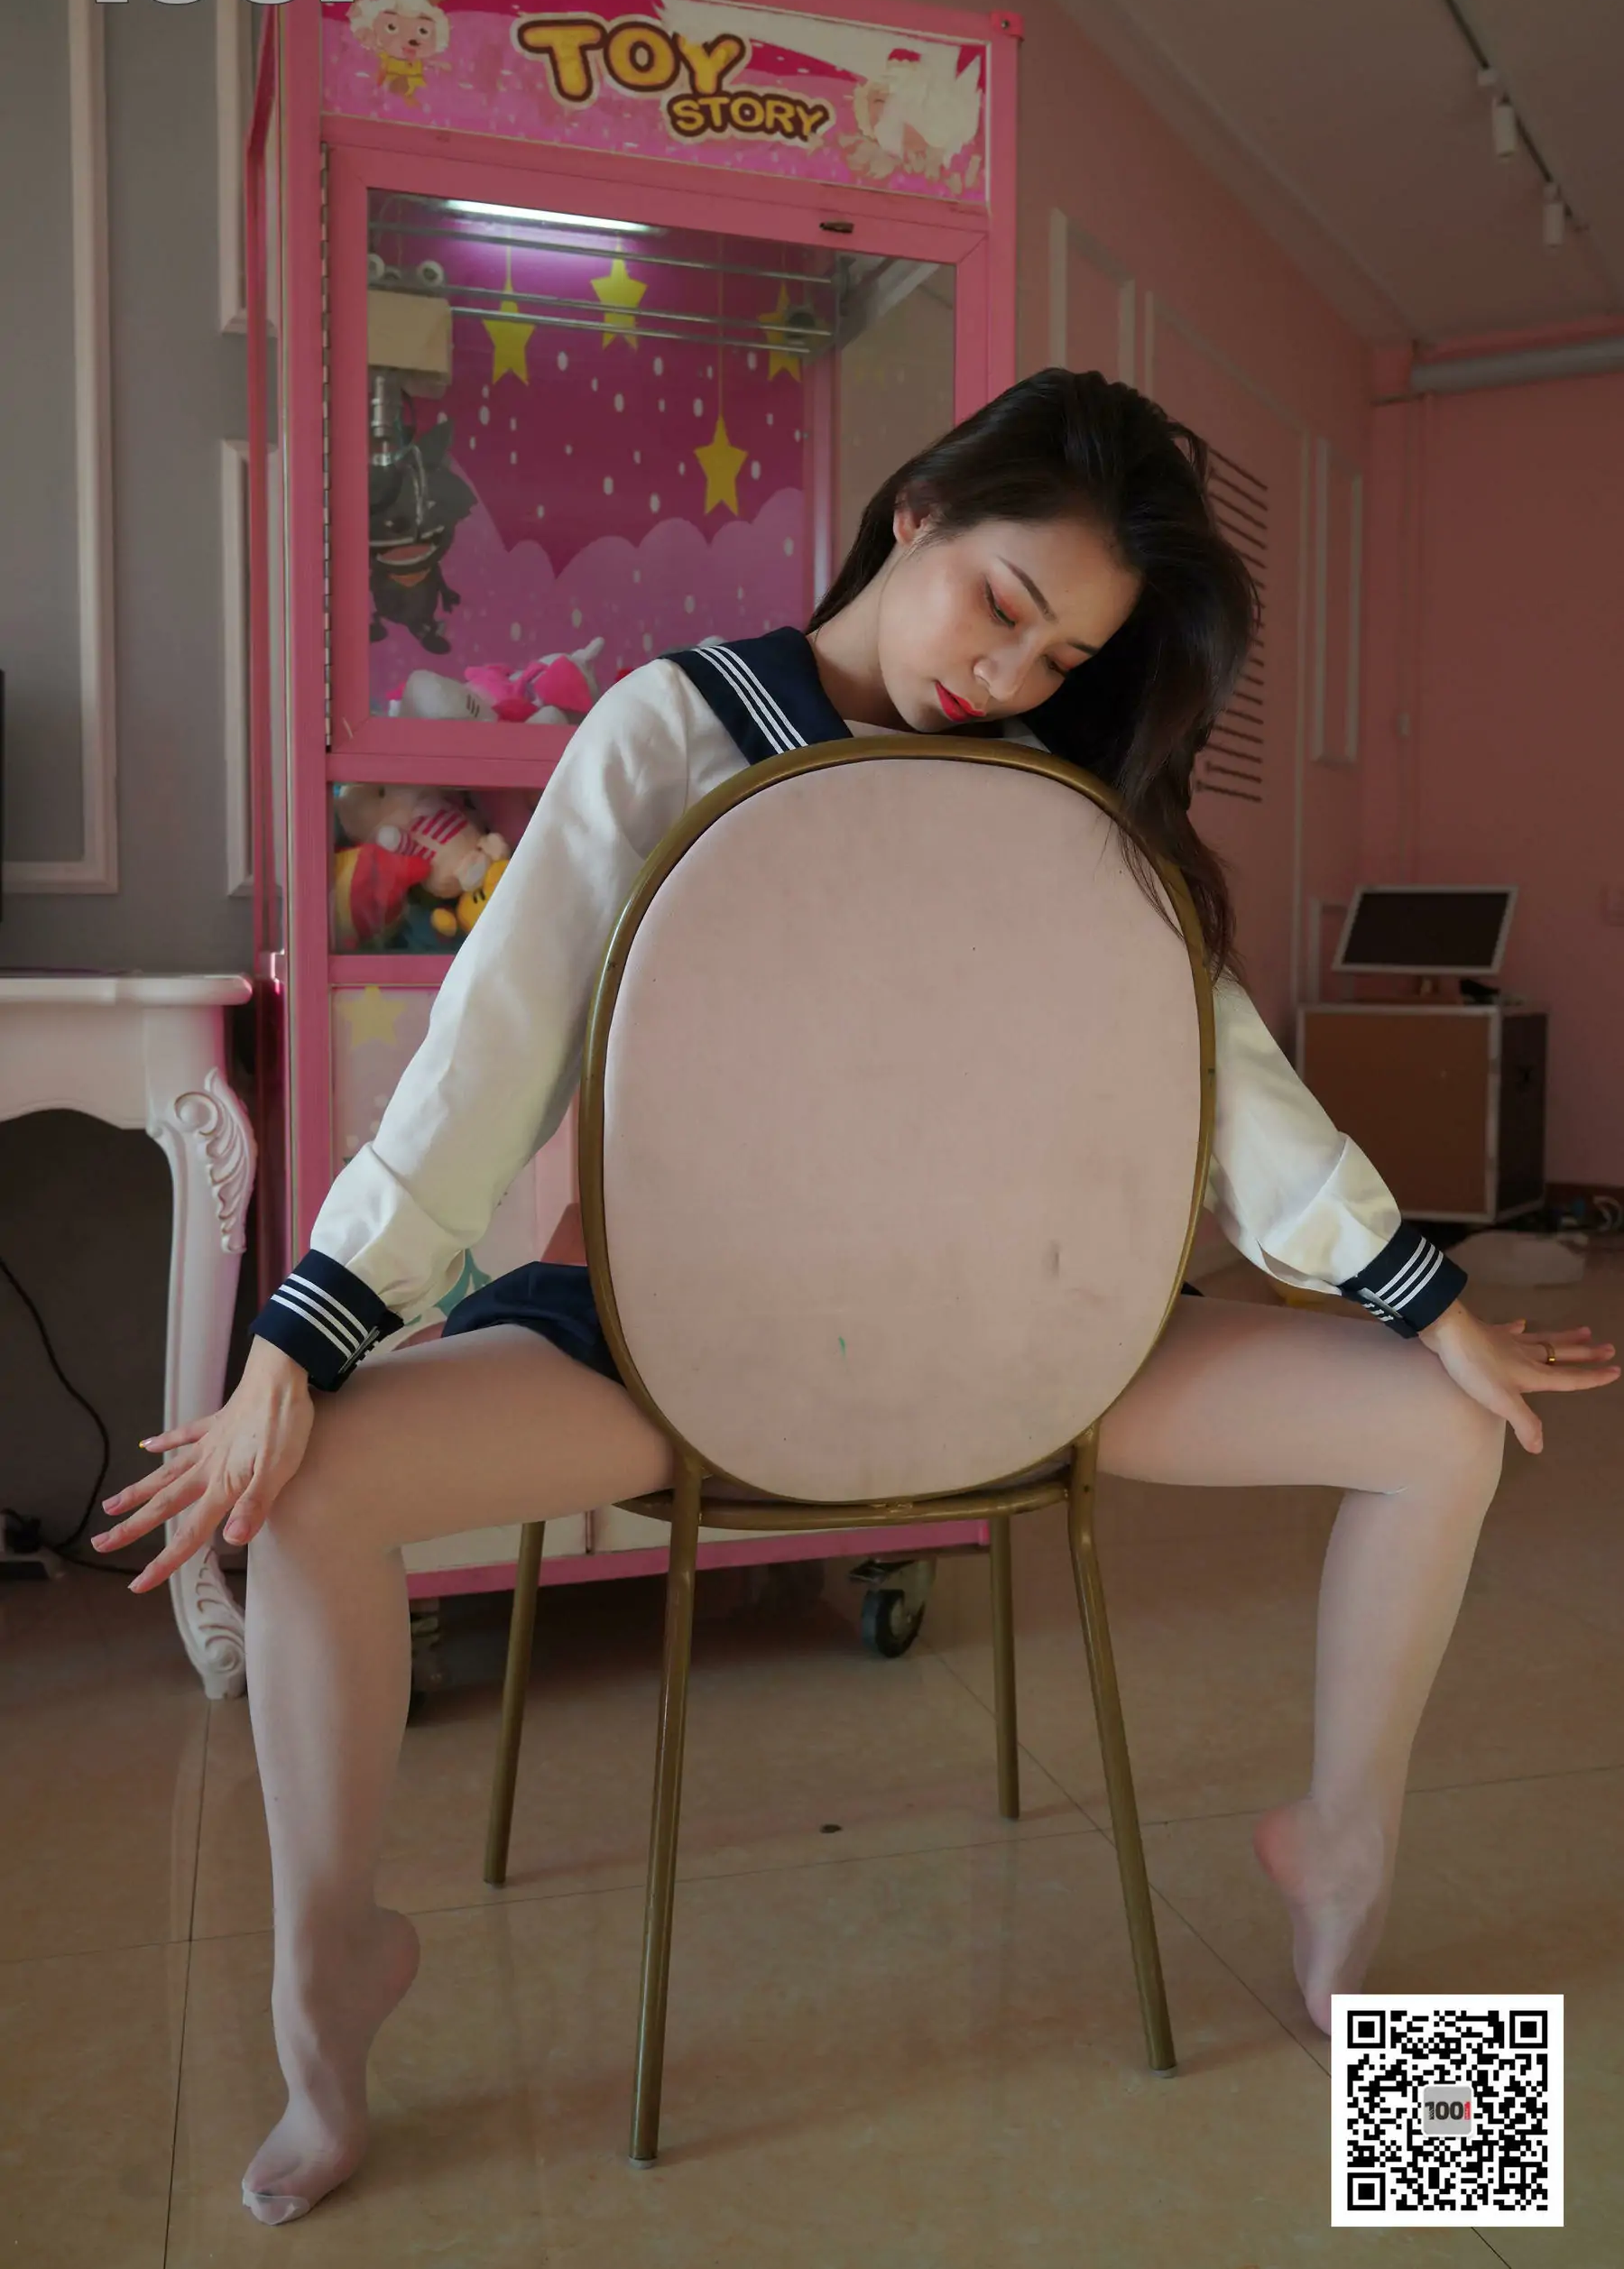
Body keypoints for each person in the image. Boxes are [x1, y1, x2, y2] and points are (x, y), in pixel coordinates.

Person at [95, 370, 1617, 2222]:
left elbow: (1231, 1079)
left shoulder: (1063, 794)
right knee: (309, 1482)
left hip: (1021, 1339)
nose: (1012, 671)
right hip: (679, 1350)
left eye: (1065, 654)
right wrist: (305, 1332)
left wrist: (1424, 1298)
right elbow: (485, 1056)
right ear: (917, 512)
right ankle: (327, 1985)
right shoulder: (674, 728)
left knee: (1450, 1426)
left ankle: (1344, 1866)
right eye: (1002, 604)